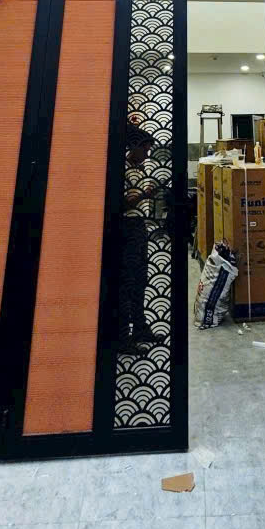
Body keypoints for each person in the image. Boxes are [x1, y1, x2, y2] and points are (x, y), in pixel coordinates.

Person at [118, 113, 161, 354]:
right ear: (133, 147)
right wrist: (144, 195)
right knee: (127, 283)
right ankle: (123, 339)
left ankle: (140, 328)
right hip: (127, 228)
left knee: (141, 281)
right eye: (145, 149)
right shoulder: (122, 170)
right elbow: (122, 204)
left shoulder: (140, 169)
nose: (147, 153)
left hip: (139, 226)